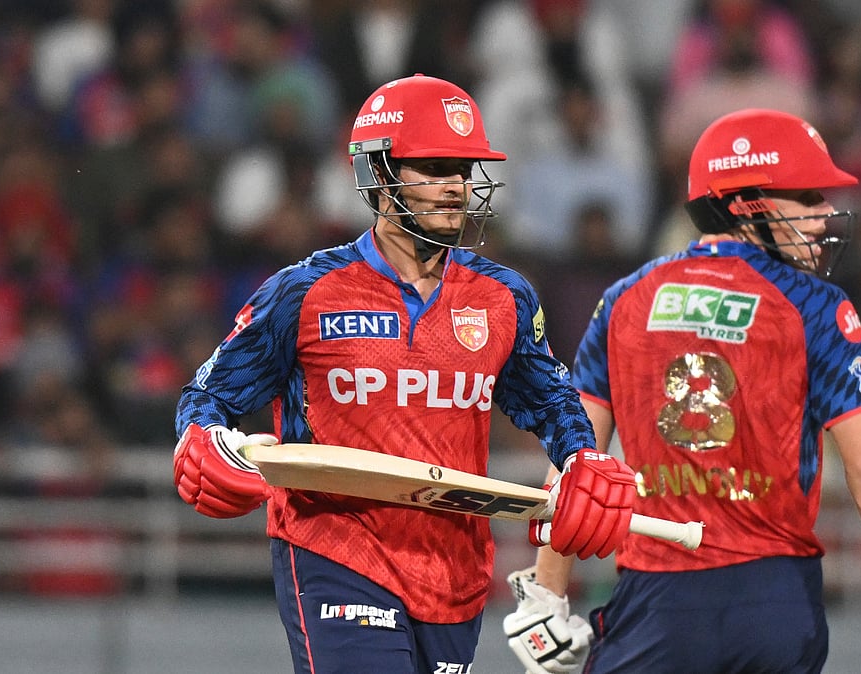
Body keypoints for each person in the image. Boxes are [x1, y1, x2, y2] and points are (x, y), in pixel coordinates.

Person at [172, 73, 638, 674]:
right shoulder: (304, 293)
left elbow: (551, 401)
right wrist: (205, 439)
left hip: (454, 568)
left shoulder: (505, 297)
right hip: (335, 549)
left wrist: (582, 459)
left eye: (463, 171)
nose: (456, 188)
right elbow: (207, 397)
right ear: (378, 173)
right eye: (436, 167)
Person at [502, 109, 861, 673]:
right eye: (809, 197)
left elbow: (576, 461)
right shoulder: (817, 307)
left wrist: (546, 594)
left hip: (658, 601)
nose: (826, 216)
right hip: (773, 599)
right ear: (750, 204)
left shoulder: (624, 300)